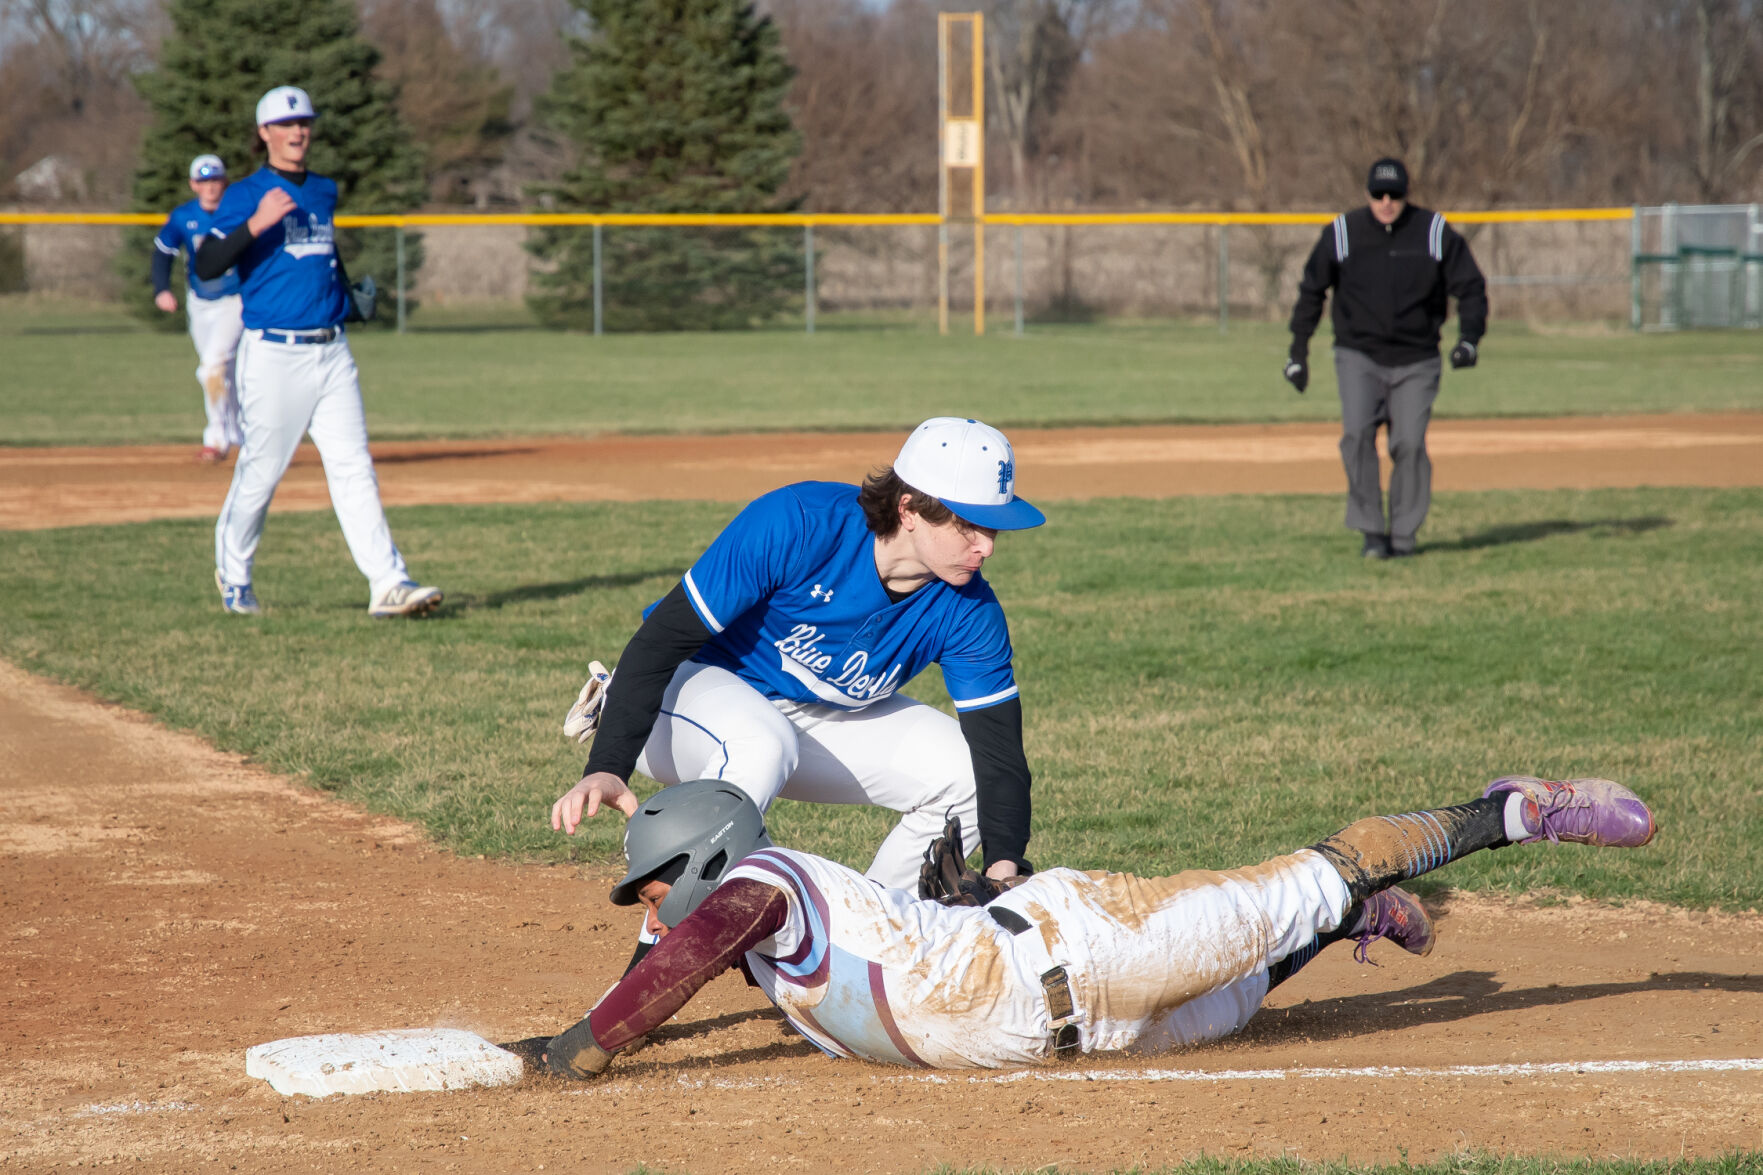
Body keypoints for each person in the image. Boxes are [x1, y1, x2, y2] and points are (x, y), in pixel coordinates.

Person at [537, 772, 1656, 1077]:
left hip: (1090, 941)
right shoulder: (786, 964)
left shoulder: (764, 883)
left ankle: (1514, 810)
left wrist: (590, 1040)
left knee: (1307, 874)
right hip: (1084, 1038)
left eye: (648, 887)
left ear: (699, 863)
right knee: (1245, 993)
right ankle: (1356, 915)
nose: (651, 910)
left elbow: (685, 948)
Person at [551, 417, 1045, 963]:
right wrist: (608, 765)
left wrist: (1005, 867)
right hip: (683, 692)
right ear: (908, 509)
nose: (986, 547)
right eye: (969, 526)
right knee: (761, 746)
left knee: (964, 773)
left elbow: (998, 753)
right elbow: (659, 642)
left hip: (805, 713)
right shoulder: (800, 524)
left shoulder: (969, 609)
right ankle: (658, 960)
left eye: (993, 529)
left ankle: (851, 953)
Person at [194, 86, 441, 619]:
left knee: (354, 466)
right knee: (261, 470)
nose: (297, 132)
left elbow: (322, 257)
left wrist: (347, 299)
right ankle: (234, 577)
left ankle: (388, 583)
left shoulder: (324, 190)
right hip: (273, 354)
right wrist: (255, 223)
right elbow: (207, 264)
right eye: (285, 125)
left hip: (332, 352)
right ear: (264, 133)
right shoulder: (244, 194)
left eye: (304, 122)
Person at [1284, 157, 1489, 559]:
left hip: (1416, 358)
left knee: (1409, 443)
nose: (1386, 202)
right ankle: (1372, 532)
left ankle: (1403, 535)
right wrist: (1297, 353)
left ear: (1405, 196)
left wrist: (1469, 339)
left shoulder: (1432, 232)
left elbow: (1471, 287)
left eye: (1394, 195)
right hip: (1358, 354)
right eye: (1378, 194)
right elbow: (1312, 292)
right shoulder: (1343, 233)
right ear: (1367, 194)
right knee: (1357, 435)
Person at [151, 154, 247, 464]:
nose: (210, 186)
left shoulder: (237, 213)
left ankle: (217, 437)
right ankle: (240, 435)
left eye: (215, 179)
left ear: (225, 183)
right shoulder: (183, 217)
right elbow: (162, 252)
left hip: (235, 300)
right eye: (203, 180)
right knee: (220, 372)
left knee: (211, 368)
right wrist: (161, 289)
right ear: (193, 184)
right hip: (200, 302)